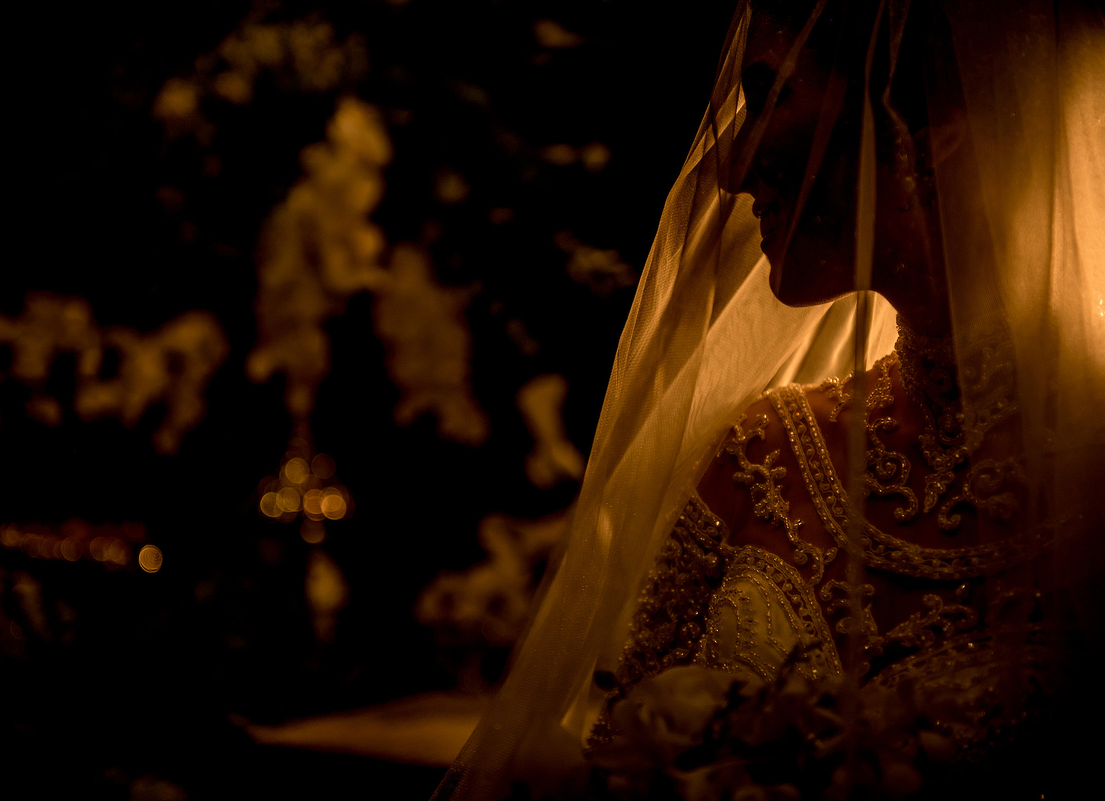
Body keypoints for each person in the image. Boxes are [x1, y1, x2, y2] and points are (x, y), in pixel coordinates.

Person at [434, 1, 1105, 798]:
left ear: (935, 130)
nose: (733, 169)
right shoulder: (764, 453)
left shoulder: (1095, 470)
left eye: (769, 95)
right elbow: (620, 765)